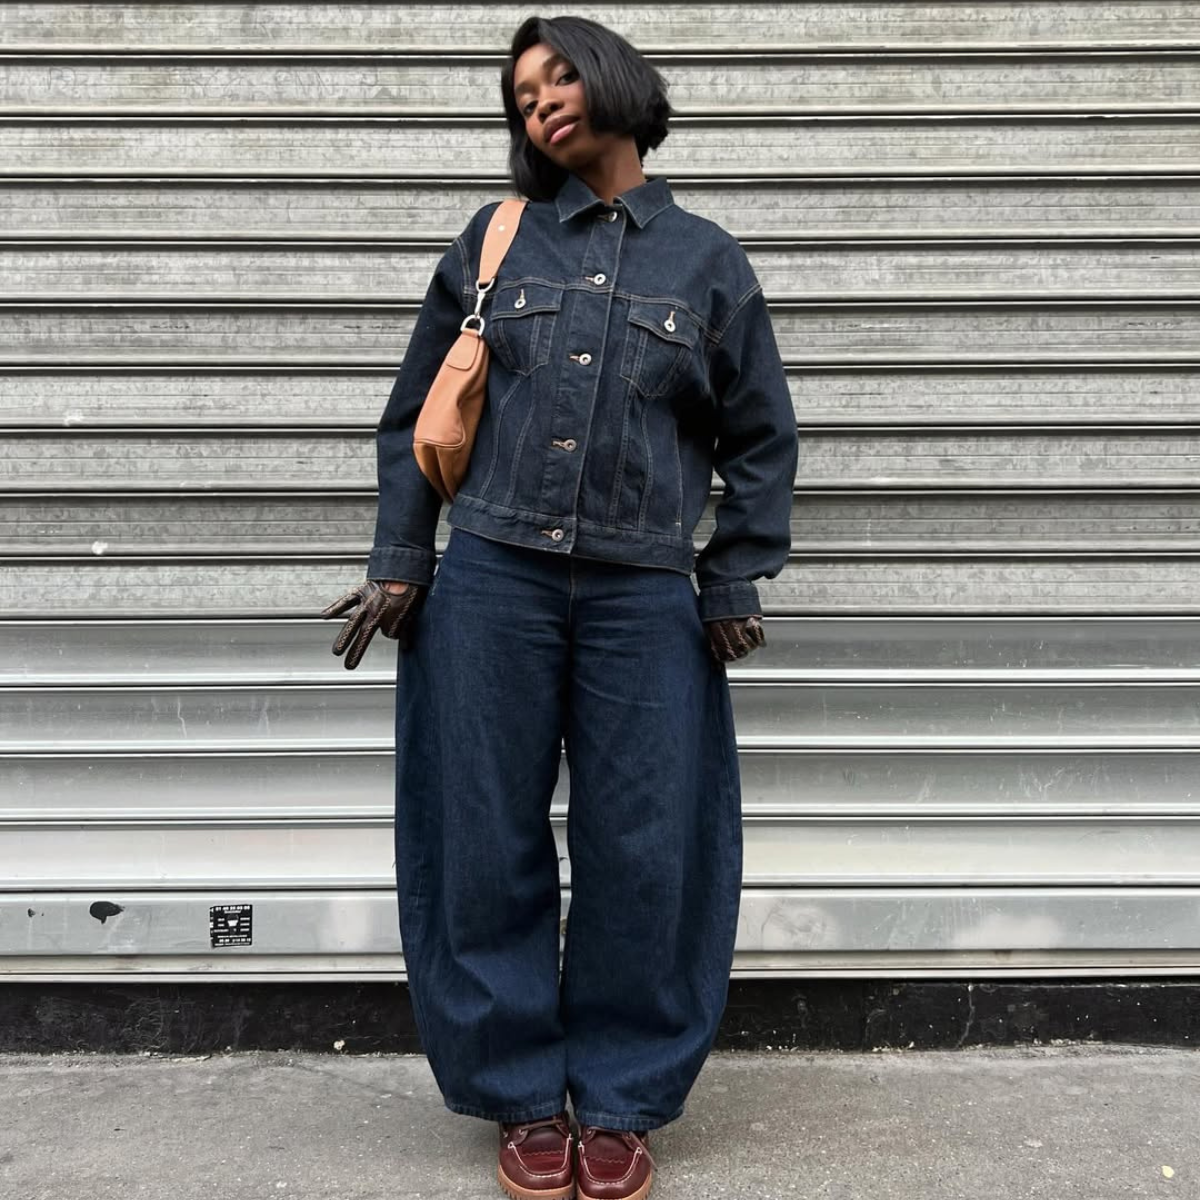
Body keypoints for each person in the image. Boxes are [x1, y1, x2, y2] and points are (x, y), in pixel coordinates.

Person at [322, 15, 798, 1200]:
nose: (541, 101)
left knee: (650, 848)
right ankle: (523, 1094)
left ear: (618, 82)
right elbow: (412, 416)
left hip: (647, 595)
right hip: (490, 582)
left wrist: (732, 572)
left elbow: (762, 436)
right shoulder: (493, 246)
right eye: (523, 93)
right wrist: (404, 556)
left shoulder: (708, 262)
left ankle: (626, 1095)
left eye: (561, 74)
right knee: (480, 835)